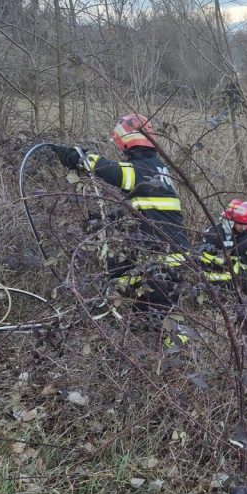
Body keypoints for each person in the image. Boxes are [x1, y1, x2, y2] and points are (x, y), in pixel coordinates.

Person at [51, 116, 189, 343]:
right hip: (158, 255)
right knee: (142, 306)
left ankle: (178, 365)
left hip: (164, 259)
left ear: (124, 142)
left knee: (165, 320)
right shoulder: (156, 169)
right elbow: (142, 211)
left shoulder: (144, 169)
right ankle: (151, 354)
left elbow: (115, 172)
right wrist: (102, 220)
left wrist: (82, 158)